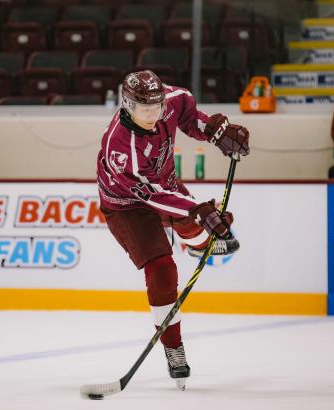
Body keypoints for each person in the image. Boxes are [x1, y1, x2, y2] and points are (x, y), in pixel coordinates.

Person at [96, 70, 250, 389]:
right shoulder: (120, 148)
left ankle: (195, 242)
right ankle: (173, 347)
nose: (153, 116)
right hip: (127, 206)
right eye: (145, 111)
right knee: (163, 271)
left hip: (163, 184)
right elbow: (155, 196)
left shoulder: (173, 99)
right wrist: (198, 210)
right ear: (127, 106)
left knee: (194, 220)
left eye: (156, 108)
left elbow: (193, 119)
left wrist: (218, 133)